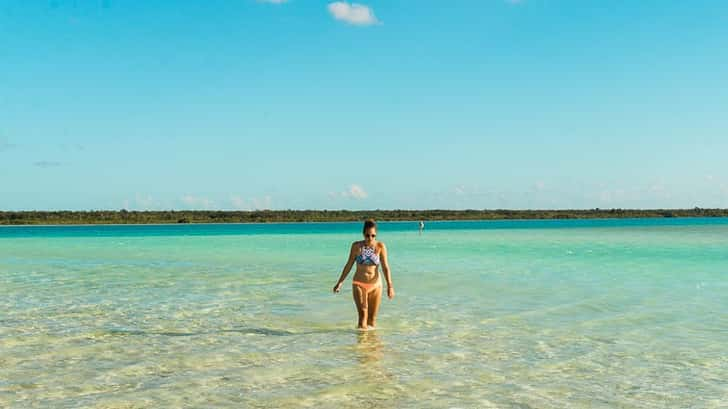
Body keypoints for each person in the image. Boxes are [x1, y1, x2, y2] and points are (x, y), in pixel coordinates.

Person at [333, 219, 394, 330]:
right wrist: (340, 283)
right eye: (367, 235)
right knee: (362, 316)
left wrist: (390, 286)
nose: (370, 238)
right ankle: (361, 344)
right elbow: (349, 264)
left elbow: (385, 267)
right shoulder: (356, 246)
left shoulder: (380, 246)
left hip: (376, 285)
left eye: (373, 236)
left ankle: (371, 346)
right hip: (359, 284)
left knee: (372, 319)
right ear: (363, 234)